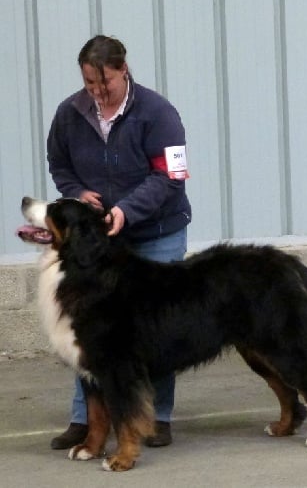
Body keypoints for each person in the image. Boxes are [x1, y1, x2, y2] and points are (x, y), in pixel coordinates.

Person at [46, 35, 192, 448]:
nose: (96, 91)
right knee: (91, 329)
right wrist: (77, 191)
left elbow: (169, 175)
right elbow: (59, 163)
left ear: (122, 69)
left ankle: (157, 417)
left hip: (155, 233)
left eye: (103, 83)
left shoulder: (158, 113)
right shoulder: (69, 113)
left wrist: (127, 209)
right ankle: (85, 419)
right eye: (89, 83)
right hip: (98, 244)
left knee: (156, 330)